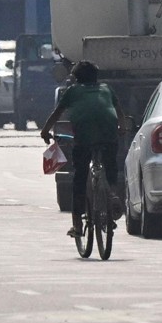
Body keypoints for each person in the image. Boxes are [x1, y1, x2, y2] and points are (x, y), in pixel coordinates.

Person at [39, 62, 127, 236]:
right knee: (110, 166)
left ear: (76, 78)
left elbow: (57, 113)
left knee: (79, 179)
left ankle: (78, 226)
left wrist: (45, 131)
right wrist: (122, 128)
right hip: (109, 133)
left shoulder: (73, 91)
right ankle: (113, 194)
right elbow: (119, 112)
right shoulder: (106, 89)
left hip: (85, 136)